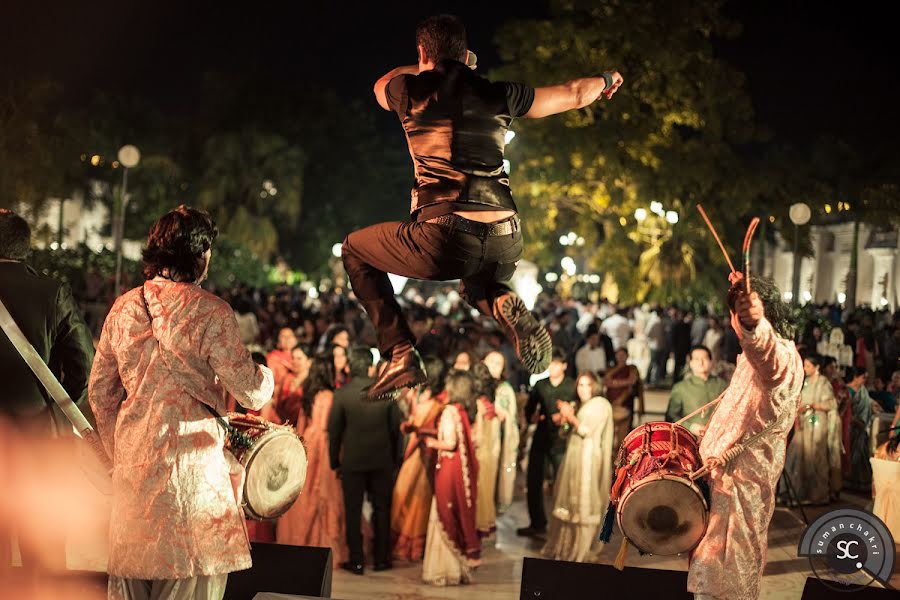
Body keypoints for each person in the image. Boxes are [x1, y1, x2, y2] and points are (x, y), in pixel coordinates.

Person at [341, 14, 623, 399]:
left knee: (355, 249)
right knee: (477, 285)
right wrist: (605, 81)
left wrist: (433, 66)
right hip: (507, 235)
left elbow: (379, 85)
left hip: (444, 234)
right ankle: (503, 300)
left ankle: (401, 351)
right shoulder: (499, 93)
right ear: (463, 53)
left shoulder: (409, 90)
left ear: (423, 53)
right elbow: (573, 93)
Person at [88, 206, 275, 600]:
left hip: (135, 478)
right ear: (201, 255)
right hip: (193, 483)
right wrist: (266, 374)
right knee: (193, 583)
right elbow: (251, 393)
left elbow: (101, 393)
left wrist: (119, 451)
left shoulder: (122, 308)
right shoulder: (211, 312)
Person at [687, 276, 804, 600]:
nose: (735, 320)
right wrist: (712, 433)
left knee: (727, 572)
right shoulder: (753, 357)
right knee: (712, 568)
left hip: (742, 482)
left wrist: (756, 325)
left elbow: (768, 358)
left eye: (742, 313)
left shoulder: (779, 354)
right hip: (725, 478)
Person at [0, 208, 95, 577]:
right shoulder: (52, 291)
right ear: (26, 248)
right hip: (41, 440)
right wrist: (56, 404)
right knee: (44, 557)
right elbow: (83, 362)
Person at [328, 346, 403, 575]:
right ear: (371, 367)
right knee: (382, 508)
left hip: (353, 461)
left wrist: (334, 461)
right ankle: (382, 559)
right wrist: (396, 459)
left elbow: (335, 432)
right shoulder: (386, 391)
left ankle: (357, 560)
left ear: (349, 367)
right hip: (382, 460)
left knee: (353, 510)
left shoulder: (342, 394)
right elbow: (395, 431)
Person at [275, 356, 347, 567]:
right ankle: (321, 544)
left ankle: (301, 540)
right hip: (324, 444)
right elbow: (329, 426)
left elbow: (302, 425)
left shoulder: (308, 395)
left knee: (306, 492)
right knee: (325, 492)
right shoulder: (329, 396)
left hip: (308, 442)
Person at [541, 372, 613, 562]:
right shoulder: (583, 405)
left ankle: (581, 551)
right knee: (571, 501)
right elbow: (569, 432)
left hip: (588, 459)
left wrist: (570, 416)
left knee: (584, 501)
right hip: (575, 457)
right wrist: (564, 421)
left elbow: (585, 430)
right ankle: (567, 547)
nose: (583, 389)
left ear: (595, 386)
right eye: (580, 385)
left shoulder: (600, 404)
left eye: (587, 385)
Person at [422, 369, 480, 586]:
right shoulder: (462, 411)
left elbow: (450, 443)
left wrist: (431, 443)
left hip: (447, 468)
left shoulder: (448, 411)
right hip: (458, 469)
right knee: (455, 511)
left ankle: (442, 570)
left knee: (442, 513)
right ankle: (457, 568)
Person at [517, 347, 577, 537]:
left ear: (564, 366)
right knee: (533, 480)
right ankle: (537, 522)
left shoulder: (571, 386)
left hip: (561, 439)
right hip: (541, 437)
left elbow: (578, 408)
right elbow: (529, 408)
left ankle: (563, 524)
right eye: (550, 364)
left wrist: (566, 415)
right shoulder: (541, 385)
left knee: (562, 481)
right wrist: (532, 416)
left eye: (556, 364)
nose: (552, 368)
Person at [392, 356, 446, 561]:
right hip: (412, 447)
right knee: (402, 493)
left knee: (419, 498)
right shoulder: (418, 392)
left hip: (425, 453)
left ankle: (413, 546)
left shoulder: (440, 402)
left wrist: (417, 428)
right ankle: (400, 543)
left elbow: (436, 429)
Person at [781, 354, 842, 505]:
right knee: (798, 455)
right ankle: (799, 493)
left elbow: (831, 404)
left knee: (816, 456)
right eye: (804, 365)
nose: (804, 368)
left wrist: (812, 406)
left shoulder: (823, 382)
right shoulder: (805, 382)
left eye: (807, 366)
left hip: (817, 420)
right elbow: (798, 401)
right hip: (803, 421)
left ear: (817, 367)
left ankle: (818, 495)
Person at [665, 345, 728, 436]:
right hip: (690, 438)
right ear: (690, 363)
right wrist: (691, 427)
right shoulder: (681, 387)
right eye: (697, 359)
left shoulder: (722, 385)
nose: (701, 362)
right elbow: (671, 417)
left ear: (711, 362)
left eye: (705, 359)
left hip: (719, 436)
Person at [484, 350, 519, 512]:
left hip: (494, 437)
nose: (493, 366)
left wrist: (497, 410)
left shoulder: (505, 389)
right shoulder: (477, 384)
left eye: (498, 363)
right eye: (490, 361)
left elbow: (509, 417)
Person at [471, 363, 501, 541]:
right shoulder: (489, 401)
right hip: (489, 451)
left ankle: (476, 527)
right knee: (486, 491)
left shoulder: (478, 404)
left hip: (480, 452)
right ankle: (486, 526)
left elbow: (478, 436)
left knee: (478, 491)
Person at [603, 347, 644, 448]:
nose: (620, 357)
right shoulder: (610, 369)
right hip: (611, 403)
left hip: (626, 403)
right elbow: (606, 382)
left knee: (625, 436)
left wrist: (614, 383)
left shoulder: (632, 368)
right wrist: (624, 382)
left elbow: (632, 382)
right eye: (618, 355)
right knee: (610, 434)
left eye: (623, 355)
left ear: (627, 356)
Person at [844, 367, 874, 492]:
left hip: (861, 427)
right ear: (856, 376)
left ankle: (861, 482)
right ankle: (849, 481)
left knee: (862, 453)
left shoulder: (863, 391)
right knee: (850, 452)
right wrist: (852, 419)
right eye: (863, 377)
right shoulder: (846, 390)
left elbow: (867, 407)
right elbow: (844, 410)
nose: (864, 380)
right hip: (850, 427)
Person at [267, 327, 298, 393]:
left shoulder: (302, 356)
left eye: (290, 336)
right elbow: (270, 383)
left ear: (296, 339)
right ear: (278, 341)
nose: (287, 339)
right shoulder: (272, 358)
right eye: (283, 336)